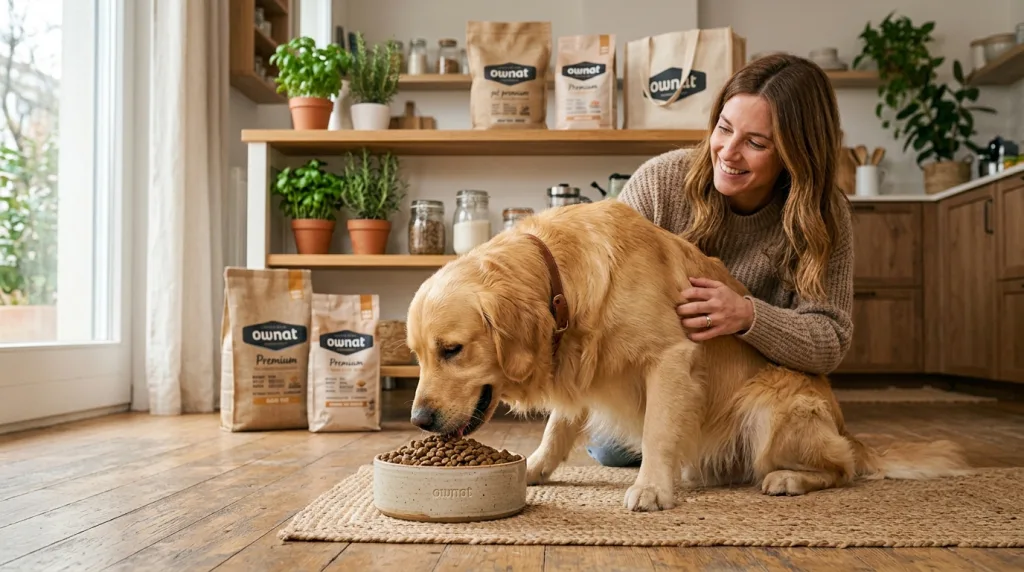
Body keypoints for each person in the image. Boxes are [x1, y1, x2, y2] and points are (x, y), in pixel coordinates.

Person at [587, 53, 855, 468]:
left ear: (794, 154)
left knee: (771, 446)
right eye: (724, 129)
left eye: (755, 143)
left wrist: (748, 316)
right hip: (660, 380)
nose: (728, 152)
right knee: (610, 449)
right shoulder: (660, 183)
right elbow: (600, 293)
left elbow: (830, 339)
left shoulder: (825, 216)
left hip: (750, 392)